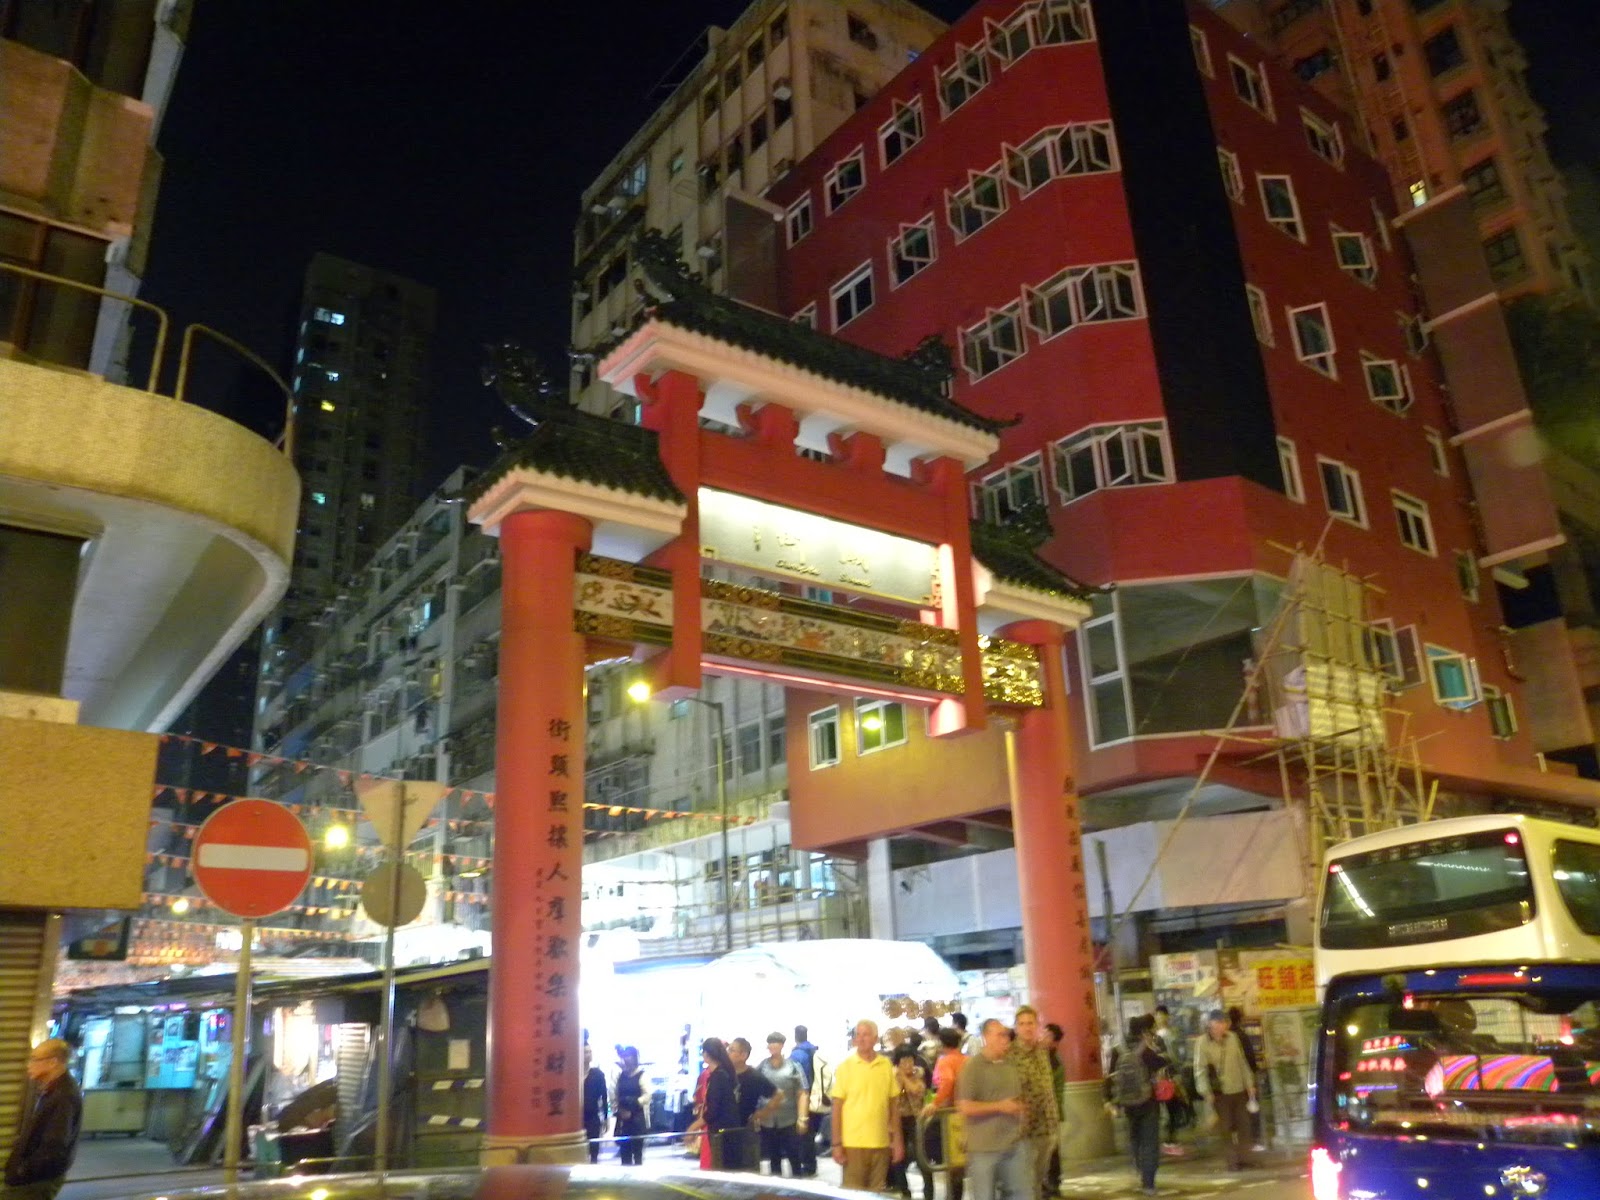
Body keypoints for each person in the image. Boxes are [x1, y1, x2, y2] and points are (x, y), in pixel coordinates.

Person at [958, 1018, 1029, 1200]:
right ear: (986, 1037)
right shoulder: (973, 1067)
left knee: (1020, 1194)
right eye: (1000, 1035)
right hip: (984, 1148)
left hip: (1013, 1143)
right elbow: (965, 1106)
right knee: (985, 1195)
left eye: (1006, 1035)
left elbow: (1016, 1098)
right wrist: (1000, 1107)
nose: (1005, 1039)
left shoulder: (1010, 1065)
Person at [3, 1039, 82, 1200]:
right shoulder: (52, 1090)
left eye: (34, 1059)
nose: (28, 1065)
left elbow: (54, 1147)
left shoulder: (63, 1096)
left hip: (36, 1183)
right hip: (31, 1180)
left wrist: (22, 1170)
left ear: (52, 1062)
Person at [830, 1018, 904, 1191]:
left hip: (881, 1143)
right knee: (853, 1192)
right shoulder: (846, 1067)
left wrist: (897, 1141)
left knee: (877, 1193)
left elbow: (893, 1106)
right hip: (853, 1144)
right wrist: (836, 1144)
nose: (861, 1039)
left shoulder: (885, 1065)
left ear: (876, 1039)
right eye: (858, 1035)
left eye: (866, 1035)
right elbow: (837, 1108)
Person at [1105, 1015, 1168, 1197]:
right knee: (1150, 1141)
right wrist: (1155, 1048)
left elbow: (1110, 1076)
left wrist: (1108, 1099)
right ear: (1143, 1032)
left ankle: (1139, 1167)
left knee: (1135, 1138)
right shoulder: (1146, 1050)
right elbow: (1163, 1062)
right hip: (1147, 1102)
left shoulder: (1118, 1050)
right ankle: (1148, 1182)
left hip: (1127, 1103)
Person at [1006, 1006, 1060, 1199]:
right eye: (1022, 1024)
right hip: (1023, 1128)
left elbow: (1048, 1086)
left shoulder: (1042, 1051)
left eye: (1030, 1023)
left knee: (1038, 1178)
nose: (1027, 1027)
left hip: (1046, 1125)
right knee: (1025, 1180)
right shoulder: (1009, 1055)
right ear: (1016, 1028)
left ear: (1037, 1025)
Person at [1194, 1010, 1256, 1171]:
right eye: (1219, 1022)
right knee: (1226, 1128)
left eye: (1224, 1022)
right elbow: (1200, 1070)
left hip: (1238, 1089)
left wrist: (1249, 1084)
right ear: (1210, 1024)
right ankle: (1232, 1162)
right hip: (1219, 1093)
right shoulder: (1202, 1043)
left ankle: (1245, 1158)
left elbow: (1242, 1062)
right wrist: (1206, 1092)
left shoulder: (1232, 1038)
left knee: (1244, 1125)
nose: (1222, 1026)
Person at [756, 1032, 808, 1177]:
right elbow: (755, 1090)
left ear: (782, 1045)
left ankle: (797, 1182)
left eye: (776, 1043)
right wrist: (757, 1115)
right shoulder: (762, 1067)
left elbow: (802, 1093)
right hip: (768, 1120)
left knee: (794, 1155)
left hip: (789, 1119)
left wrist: (803, 1118)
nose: (773, 1046)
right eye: (770, 1043)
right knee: (773, 1157)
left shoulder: (793, 1066)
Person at [727, 1037, 782, 1171]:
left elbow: (778, 1094)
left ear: (743, 1055)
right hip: (726, 1129)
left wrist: (761, 1114)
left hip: (745, 1130)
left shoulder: (754, 1076)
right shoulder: (724, 1074)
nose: (728, 1053)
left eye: (732, 1050)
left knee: (747, 1168)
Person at [888, 1047, 932, 1200]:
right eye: (904, 1061)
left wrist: (903, 1077)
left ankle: (929, 1193)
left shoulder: (918, 1073)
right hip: (897, 1119)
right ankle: (903, 1190)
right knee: (898, 1155)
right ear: (897, 1062)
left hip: (916, 1119)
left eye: (910, 1060)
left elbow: (916, 1090)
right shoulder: (891, 1075)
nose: (908, 1064)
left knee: (922, 1155)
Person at [927, 1028, 967, 1200]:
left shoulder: (945, 1062)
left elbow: (948, 1081)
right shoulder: (968, 1060)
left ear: (941, 1043)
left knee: (951, 1161)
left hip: (951, 1116)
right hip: (968, 1114)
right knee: (961, 1163)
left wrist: (935, 1103)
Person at [697, 1037, 742, 1170]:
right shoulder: (724, 1073)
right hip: (728, 1128)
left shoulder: (718, 1076)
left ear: (706, 1054)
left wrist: (693, 1126)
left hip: (721, 1130)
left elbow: (713, 1110)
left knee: (721, 1165)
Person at [1227, 1007, 1267, 1152]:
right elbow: (1250, 1058)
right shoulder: (1241, 1035)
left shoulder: (1227, 1037)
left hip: (1231, 1081)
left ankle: (1237, 1140)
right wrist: (1254, 1074)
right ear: (1240, 1018)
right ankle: (1253, 1140)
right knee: (1252, 1109)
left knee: (1235, 1111)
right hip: (1245, 1078)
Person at [790, 1025, 819, 1175]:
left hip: (802, 1097)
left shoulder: (797, 1054)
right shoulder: (814, 1051)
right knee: (810, 1133)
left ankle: (807, 1165)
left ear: (795, 1036)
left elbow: (793, 1078)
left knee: (802, 1133)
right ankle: (811, 1164)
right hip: (816, 1097)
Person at [1041, 1023, 1065, 1196]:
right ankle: (1048, 1182)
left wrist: (1054, 1113)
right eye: (1043, 1033)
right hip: (1040, 1110)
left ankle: (1053, 1182)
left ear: (1055, 1042)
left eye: (1048, 1035)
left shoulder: (1055, 1063)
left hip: (1050, 1111)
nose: (1043, 1037)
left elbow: (1057, 1092)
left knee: (1052, 1149)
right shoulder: (1038, 1056)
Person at [614, 1046, 649, 1166]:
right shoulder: (621, 1075)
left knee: (637, 1154)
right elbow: (616, 1094)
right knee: (624, 1154)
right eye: (625, 1056)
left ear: (634, 1058)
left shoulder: (642, 1075)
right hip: (623, 1120)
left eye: (629, 1056)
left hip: (637, 1118)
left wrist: (634, 1103)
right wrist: (619, 1109)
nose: (626, 1059)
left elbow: (647, 1095)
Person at [582, 1045, 611, 1163]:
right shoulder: (573, 1074)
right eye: (585, 1052)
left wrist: (606, 1117)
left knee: (594, 1150)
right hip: (577, 1118)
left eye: (590, 1052)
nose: (588, 1054)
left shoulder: (598, 1074)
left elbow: (604, 1097)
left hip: (592, 1117)